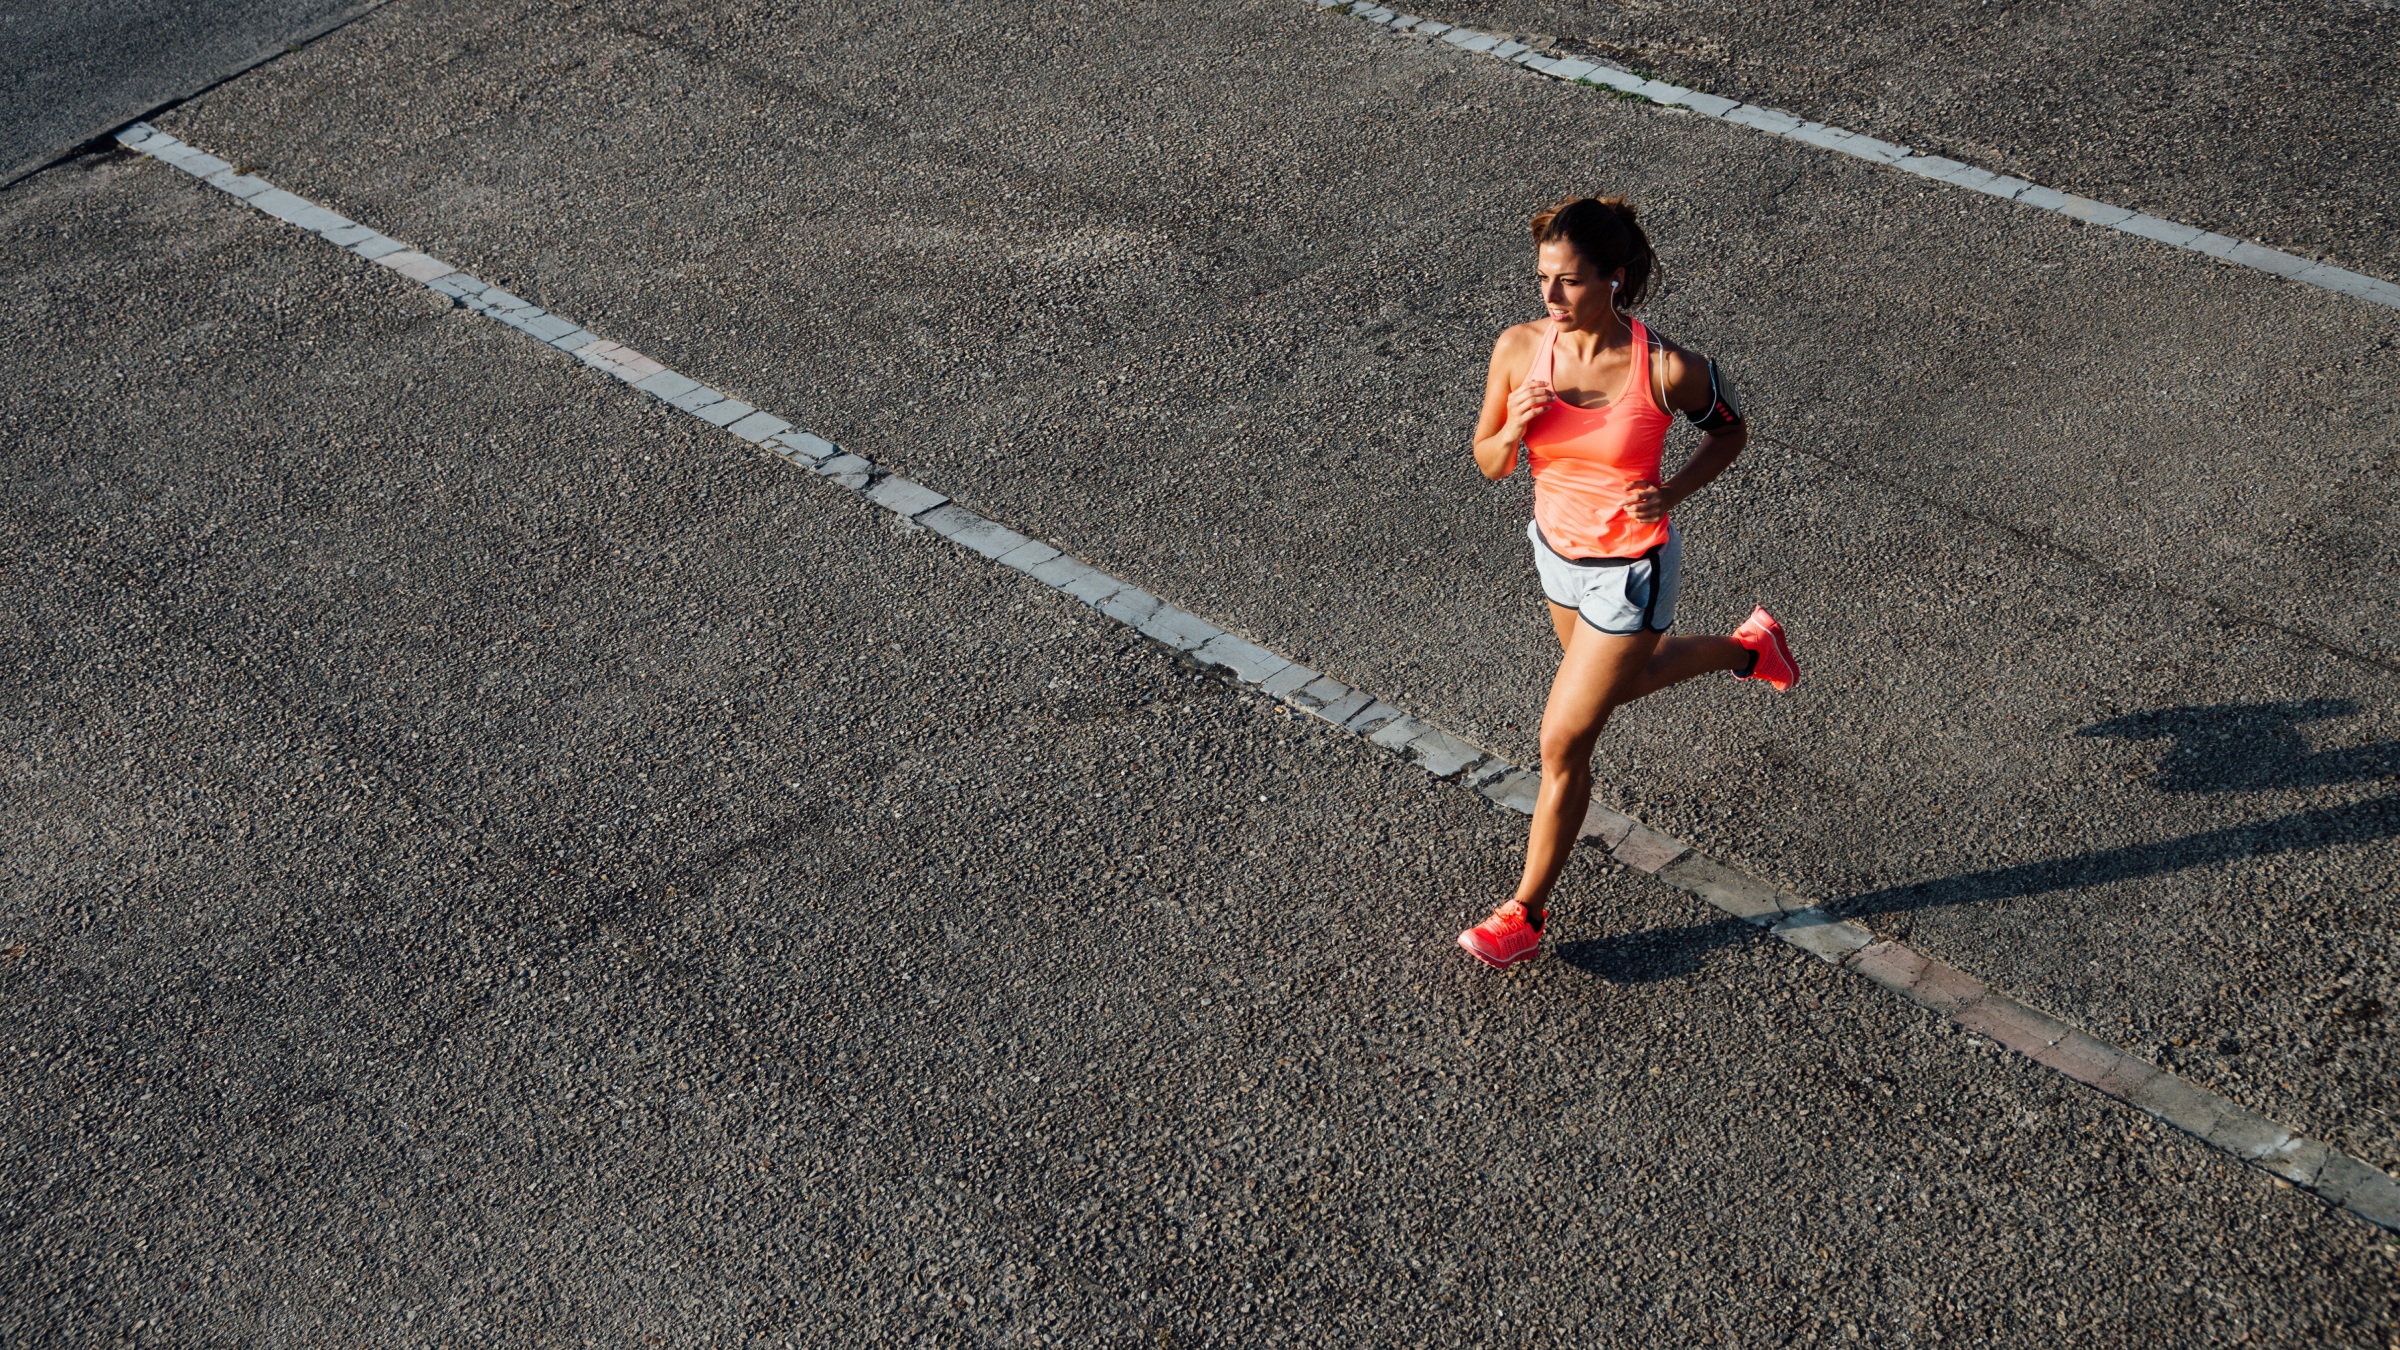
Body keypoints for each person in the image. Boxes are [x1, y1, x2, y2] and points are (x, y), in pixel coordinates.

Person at [1458, 196, 1798, 970]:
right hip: (1555, 554)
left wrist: (1675, 492)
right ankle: (1748, 649)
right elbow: (1488, 461)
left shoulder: (1667, 368)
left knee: (1563, 739)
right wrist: (1514, 424)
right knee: (1619, 681)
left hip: (1630, 571)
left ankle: (1526, 912)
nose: (1549, 298)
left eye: (1569, 282)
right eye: (1543, 278)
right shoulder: (1518, 350)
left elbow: (1730, 430)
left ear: (1614, 279)